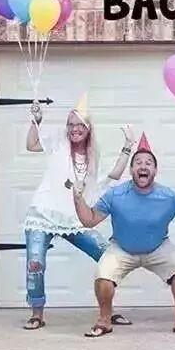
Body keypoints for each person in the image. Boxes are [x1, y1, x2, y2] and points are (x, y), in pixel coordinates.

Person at [72, 134, 175, 338]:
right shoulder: (115, 195)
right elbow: (89, 220)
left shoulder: (168, 196)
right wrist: (78, 198)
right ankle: (104, 321)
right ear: (131, 169)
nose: (143, 166)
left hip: (158, 247)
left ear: (155, 171)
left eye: (148, 163)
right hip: (122, 247)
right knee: (103, 276)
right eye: (138, 163)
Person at [22, 95, 134, 330]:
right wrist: (36, 120)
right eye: (71, 124)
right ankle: (36, 313)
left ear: (88, 128)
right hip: (43, 214)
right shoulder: (58, 142)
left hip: (74, 218)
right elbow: (31, 145)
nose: (75, 129)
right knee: (35, 263)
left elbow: (113, 174)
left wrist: (128, 146)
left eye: (80, 125)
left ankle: (108, 310)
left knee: (108, 256)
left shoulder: (93, 158)